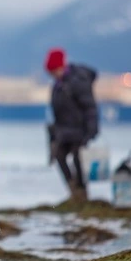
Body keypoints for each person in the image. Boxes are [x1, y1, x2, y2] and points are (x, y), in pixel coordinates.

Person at [44, 48, 98, 202]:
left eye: (53, 70)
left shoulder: (78, 81)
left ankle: (82, 193)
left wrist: (91, 131)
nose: (52, 74)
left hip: (80, 129)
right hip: (64, 131)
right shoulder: (58, 85)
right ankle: (74, 190)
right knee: (59, 156)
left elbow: (90, 107)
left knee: (78, 159)